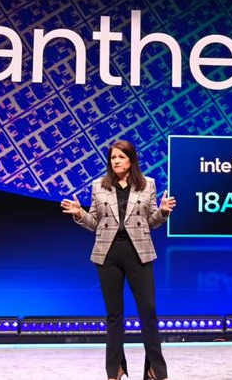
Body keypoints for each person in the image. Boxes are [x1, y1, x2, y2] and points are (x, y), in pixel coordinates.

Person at [61, 140, 176, 380]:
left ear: (131, 160)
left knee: (148, 311)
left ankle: (156, 369)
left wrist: (163, 211)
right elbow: (95, 223)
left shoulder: (147, 184)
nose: (116, 161)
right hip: (108, 254)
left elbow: (150, 222)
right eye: (113, 157)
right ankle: (114, 370)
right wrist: (80, 213)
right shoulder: (99, 186)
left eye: (121, 157)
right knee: (114, 315)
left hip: (139, 252)